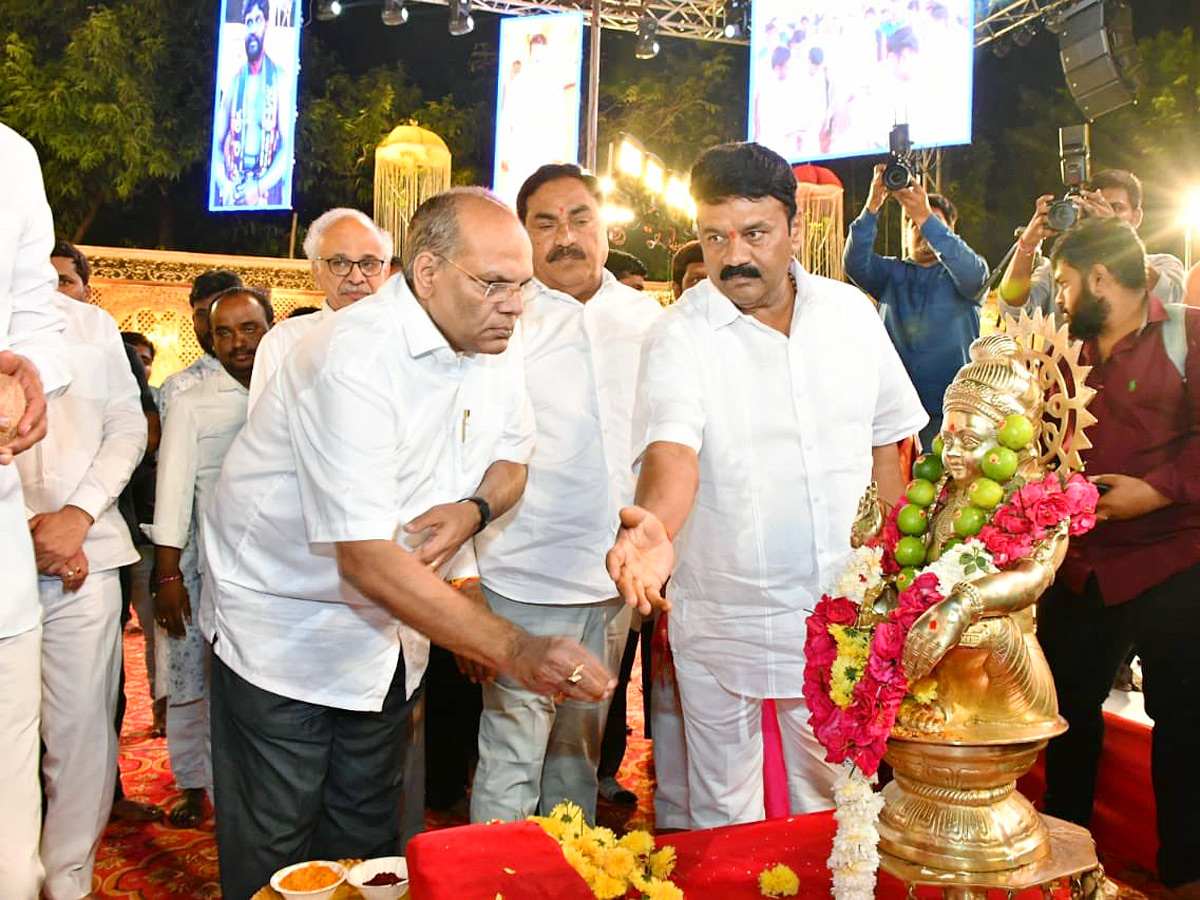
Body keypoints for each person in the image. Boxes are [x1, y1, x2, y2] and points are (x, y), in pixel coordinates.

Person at [203, 187, 614, 900]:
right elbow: (363, 556)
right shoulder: (352, 355)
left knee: (368, 846)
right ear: (427, 274)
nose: (515, 305)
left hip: (392, 638)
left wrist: (473, 509)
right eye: (494, 283)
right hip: (284, 632)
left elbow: (514, 459)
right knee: (279, 855)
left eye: (522, 285)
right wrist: (515, 648)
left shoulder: (491, 337)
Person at [606, 142, 927, 829]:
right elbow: (672, 455)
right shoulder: (679, 335)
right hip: (729, 616)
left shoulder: (850, 316)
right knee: (725, 812)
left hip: (841, 614)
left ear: (794, 231)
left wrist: (899, 566)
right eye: (714, 236)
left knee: (839, 803)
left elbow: (888, 450)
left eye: (754, 233)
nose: (733, 256)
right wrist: (656, 528)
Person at [470, 164, 661, 823]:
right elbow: (467, 449)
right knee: (513, 751)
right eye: (545, 224)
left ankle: (566, 877)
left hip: (614, 580)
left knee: (578, 753)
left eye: (580, 219)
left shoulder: (648, 319)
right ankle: (494, 886)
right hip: (524, 572)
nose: (566, 237)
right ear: (523, 236)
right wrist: (464, 579)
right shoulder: (503, 320)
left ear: (603, 226)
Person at [1037, 217, 1200, 900]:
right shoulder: (1056, 349)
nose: (1063, 297)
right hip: (1078, 568)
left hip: (1173, 560)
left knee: (1186, 722)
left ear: (1101, 278)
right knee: (1066, 720)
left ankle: (1186, 873)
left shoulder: (1189, 334)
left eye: (1068, 283)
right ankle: (1067, 868)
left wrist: (1158, 493)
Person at [16, 270, 147, 900]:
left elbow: (127, 430)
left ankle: (67, 879)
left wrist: (76, 518)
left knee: (79, 727)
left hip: (86, 556)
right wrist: (25, 534)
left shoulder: (91, 328)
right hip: (13, 551)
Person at [149, 288, 273, 829]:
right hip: (205, 569)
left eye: (249, 328)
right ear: (209, 337)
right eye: (225, 333)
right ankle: (195, 784)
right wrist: (169, 575)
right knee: (191, 678)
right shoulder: (193, 402)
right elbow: (173, 493)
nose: (238, 342)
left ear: (272, 326)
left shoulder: (288, 391)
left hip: (275, 574)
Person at [0, 122, 71, 900]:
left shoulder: (10, 155)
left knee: (11, 856)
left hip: (1, 573)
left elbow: (35, 318)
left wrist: (31, 376)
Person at [843, 166, 987, 447]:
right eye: (913, 224)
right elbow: (854, 264)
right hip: (893, 415)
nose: (921, 230)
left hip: (951, 417)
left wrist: (924, 215)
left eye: (932, 223)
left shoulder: (964, 275)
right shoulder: (891, 273)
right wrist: (873, 205)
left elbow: (974, 275)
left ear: (950, 232)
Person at [248, 208, 392, 411]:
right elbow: (265, 436)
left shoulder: (414, 340)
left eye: (368, 263)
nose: (356, 277)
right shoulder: (284, 343)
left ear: (385, 271)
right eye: (340, 263)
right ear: (316, 271)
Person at [1000, 168, 1186, 316]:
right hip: (1067, 364)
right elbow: (1013, 309)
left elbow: (1168, 300)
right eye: (1096, 206)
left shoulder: (1163, 264)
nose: (1103, 213)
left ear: (1136, 217)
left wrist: (1116, 234)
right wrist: (1027, 244)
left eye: (1116, 208)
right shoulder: (1060, 272)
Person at [210, 0, 292, 208]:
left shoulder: (280, 79)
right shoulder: (234, 81)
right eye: (248, 22)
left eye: (257, 20)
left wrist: (258, 187)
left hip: (265, 188)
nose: (252, 29)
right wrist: (225, 184)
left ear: (266, 24)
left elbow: (286, 147)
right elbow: (217, 145)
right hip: (234, 187)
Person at [158, 269, 243, 418]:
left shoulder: (267, 376)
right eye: (202, 314)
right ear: (193, 320)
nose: (211, 323)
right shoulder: (180, 386)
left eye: (218, 311)